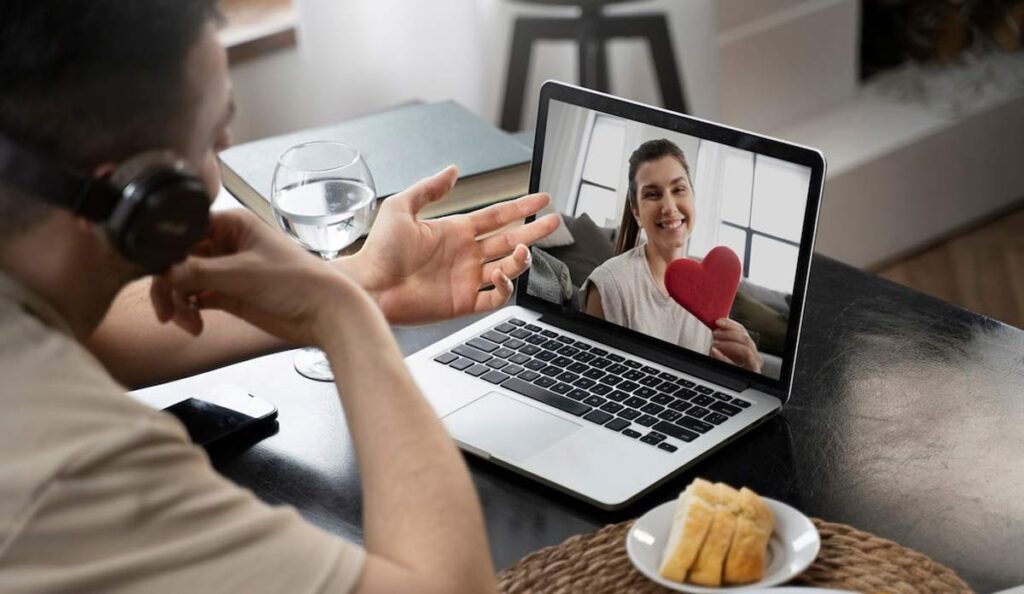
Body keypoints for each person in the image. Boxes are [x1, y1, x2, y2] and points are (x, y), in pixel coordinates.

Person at [0, 2, 559, 593]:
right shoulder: (75, 468)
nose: (220, 160)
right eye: (213, 138)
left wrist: (357, 281)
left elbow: (94, 334)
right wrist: (344, 319)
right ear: (145, 199)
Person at [583, 139, 763, 373]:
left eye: (678, 189)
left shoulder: (712, 288)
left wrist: (749, 378)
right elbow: (592, 377)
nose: (669, 207)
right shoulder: (609, 285)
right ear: (636, 212)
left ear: (693, 196)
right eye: (653, 194)